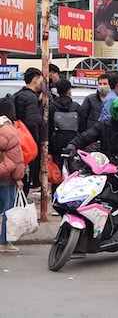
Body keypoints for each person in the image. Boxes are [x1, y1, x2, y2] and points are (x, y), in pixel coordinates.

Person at [67, 96, 118, 266]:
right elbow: (85, 137)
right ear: (117, 112)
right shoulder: (104, 125)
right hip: (104, 172)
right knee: (86, 199)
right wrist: (73, 145)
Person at [50, 79, 85, 197]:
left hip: (56, 144)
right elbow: (83, 127)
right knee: (74, 172)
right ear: (69, 91)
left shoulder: (51, 107)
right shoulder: (77, 107)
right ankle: (73, 196)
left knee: (56, 172)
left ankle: (56, 197)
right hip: (73, 143)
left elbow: (48, 127)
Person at [0, 97, 26, 253]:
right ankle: (3, 242)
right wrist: (18, 178)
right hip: (6, 178)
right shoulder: (10, 131)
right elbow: (15, 159)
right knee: (8, 210)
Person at [12, 67, 44, 195]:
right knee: (26, 173)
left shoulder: (18, 95)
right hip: (27, 142)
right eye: (41, 80)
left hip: (16, 138)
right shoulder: (31, 98)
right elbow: (32, 122)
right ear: (36, 80)